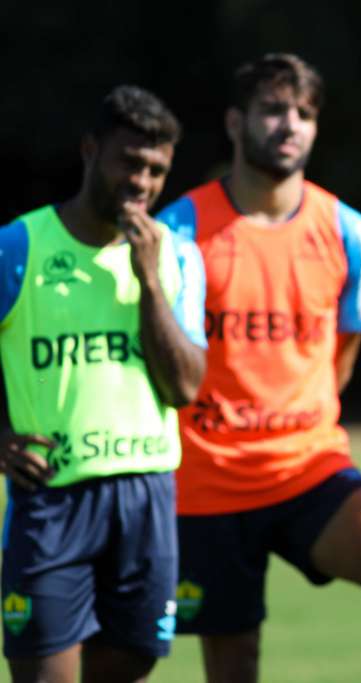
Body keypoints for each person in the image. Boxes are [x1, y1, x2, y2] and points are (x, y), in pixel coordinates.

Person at [157, 53, 361, 683]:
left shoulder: (346, 230)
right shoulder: (180, 229)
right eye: (274, 109)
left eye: (304, 113)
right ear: (234, 122)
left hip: (309, 469)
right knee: (235, 664)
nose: (290, 125)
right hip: (209, 480)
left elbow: (339, 365)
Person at [0, 86, 207, 683]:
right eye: (130, 162)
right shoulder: (20, 247)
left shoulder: (177, 258)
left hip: (146, 498)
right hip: (52, 500)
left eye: (157, 170)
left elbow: (185, 387)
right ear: (91, 150)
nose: (142, 181)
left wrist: (149, 282)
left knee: (131, 665)